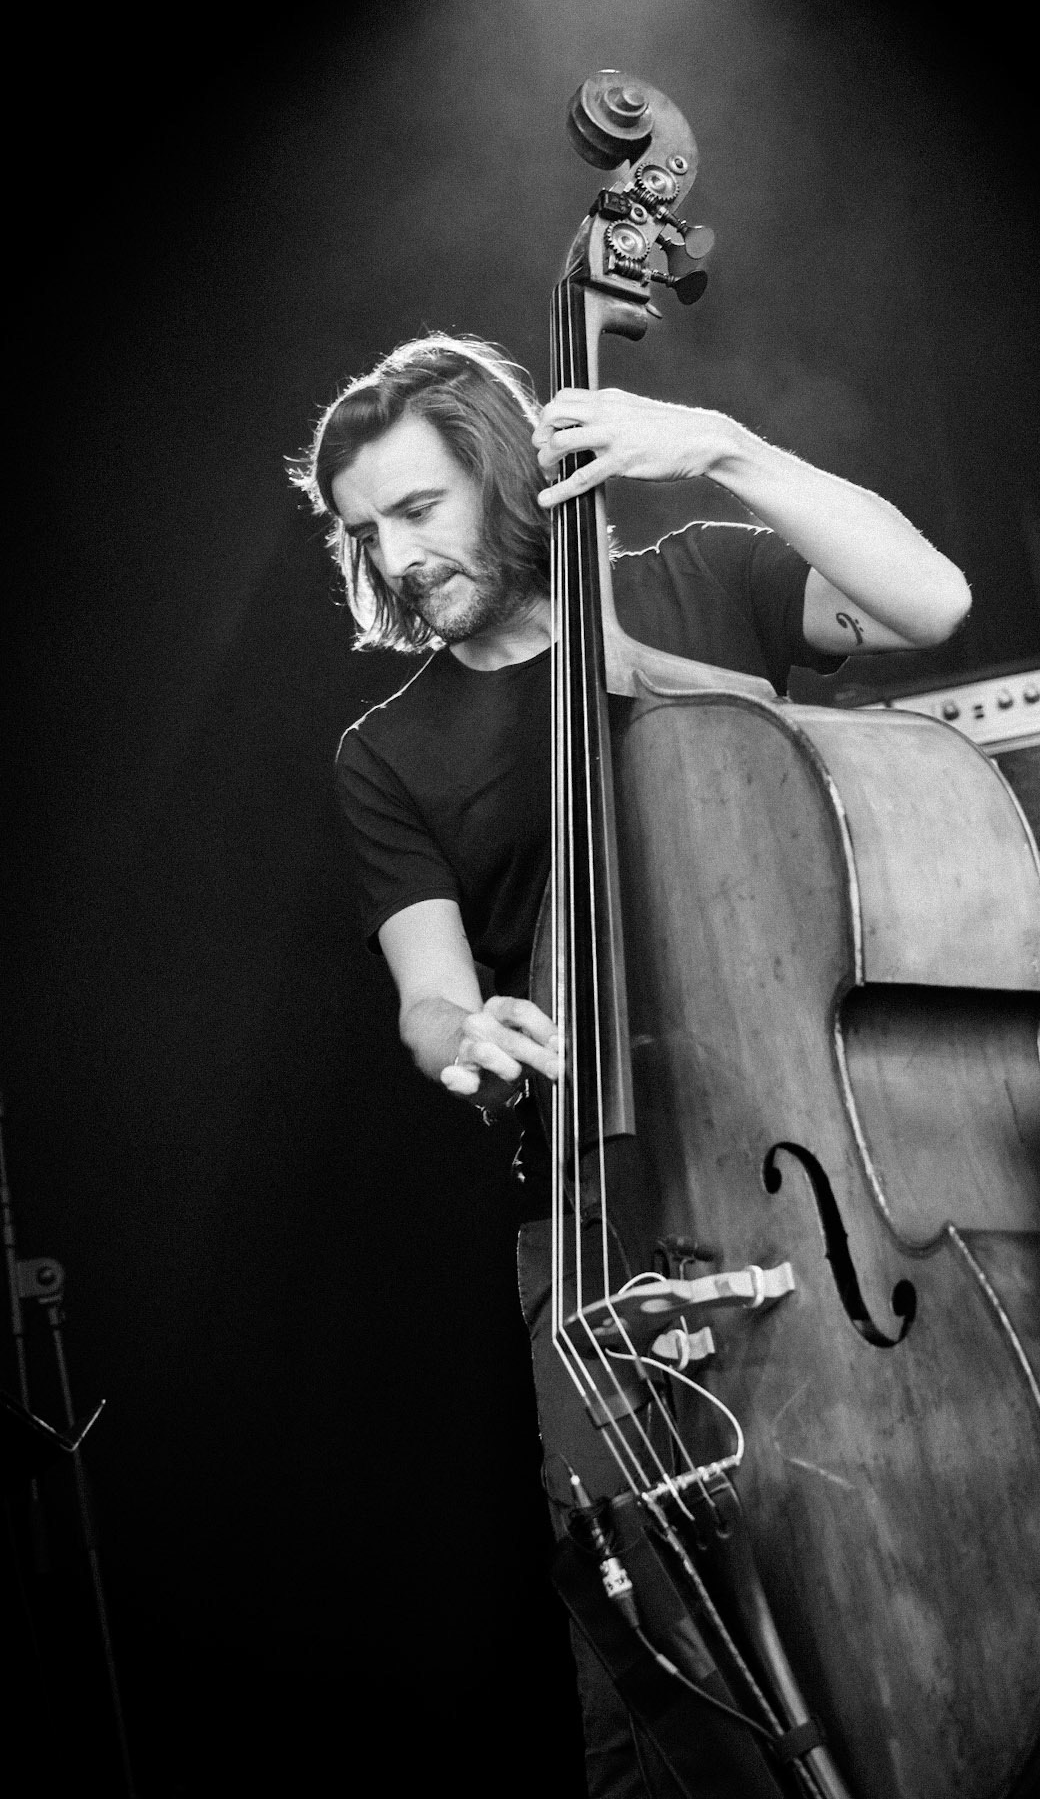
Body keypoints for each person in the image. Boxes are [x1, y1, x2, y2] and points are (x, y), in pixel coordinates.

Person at [291, 331, 970, 1794]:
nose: (395, 556)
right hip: (597, 1216)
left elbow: (929, 602)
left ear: (500, 468)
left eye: (417, 509)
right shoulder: (386, 753)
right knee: (653, 1647)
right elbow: (428, 995)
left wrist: (725, 446)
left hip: (822, 1161)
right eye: (363, 532)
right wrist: (465, 1034)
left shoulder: (697, 581)